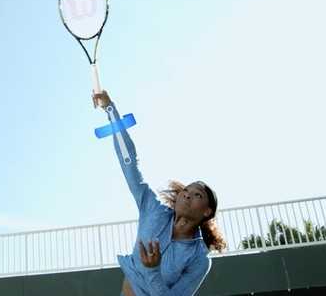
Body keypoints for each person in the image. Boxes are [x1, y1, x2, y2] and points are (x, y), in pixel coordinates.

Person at [92, 91, 226, 296]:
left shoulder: (199, 259)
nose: (187, 195)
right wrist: (110, 108)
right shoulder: (152, 209)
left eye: (198, 195)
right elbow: (129, 165)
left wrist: (153, 270)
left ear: (207, 212)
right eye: (186, 191)